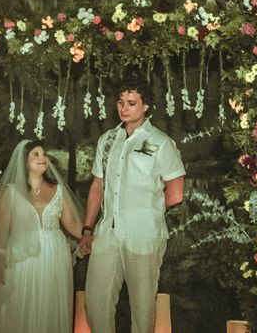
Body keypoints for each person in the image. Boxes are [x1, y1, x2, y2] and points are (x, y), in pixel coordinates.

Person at [79, 79, 185, 333]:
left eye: (131, 103)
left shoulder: (161, 142)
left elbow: (176, 193)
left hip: (143, 236)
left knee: (142, 310)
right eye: (120, 102)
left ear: (146, 106)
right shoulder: (107, 140)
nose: (124, 108)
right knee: (96, 304)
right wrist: (87, 228)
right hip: (107, 235)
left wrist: (145, 213)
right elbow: (97, 186)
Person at [0, 140, 84, 333]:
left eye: (43, 154)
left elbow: (73, 224)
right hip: (22, 260)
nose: (43, 158)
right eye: (36, 155)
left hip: (54, 258)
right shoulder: (11, 193)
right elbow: (1, 234)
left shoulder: (58, 190)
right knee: (18, 308)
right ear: (24, 162)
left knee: (48, 307)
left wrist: (90, 236)